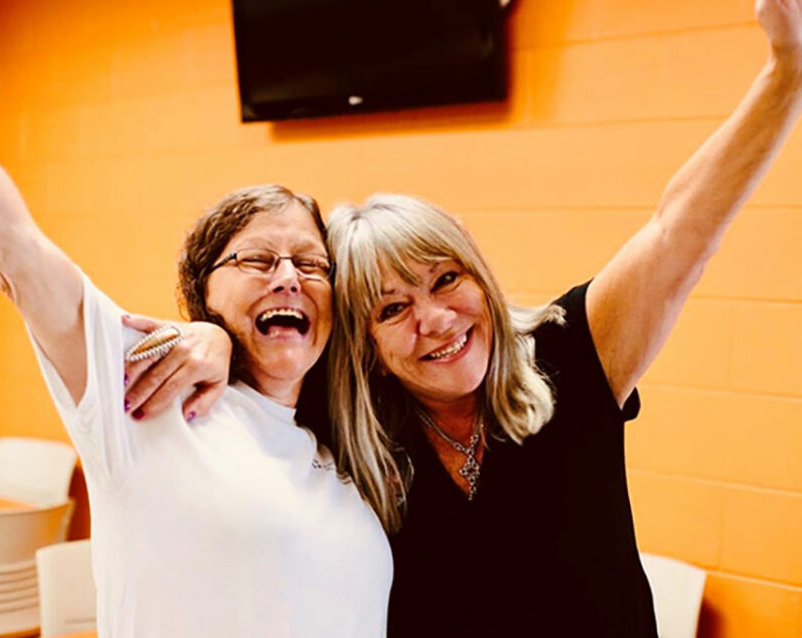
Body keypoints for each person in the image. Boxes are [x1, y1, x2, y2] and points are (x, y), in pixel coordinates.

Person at [0, 1, 391, 637]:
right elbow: (11, 248)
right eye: (258, 259)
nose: (289, 276)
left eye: (311, 265)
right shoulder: (151, 387)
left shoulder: (347, 428)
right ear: (203, 292)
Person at [324, 1, 802, 636]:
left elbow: (678, 231)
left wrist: (786, 70)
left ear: (481, 276)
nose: (436, 319)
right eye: (392, 308)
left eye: (447, 279)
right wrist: (205, 342)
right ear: (365, 341)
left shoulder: (572, 351)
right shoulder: (356, 433)